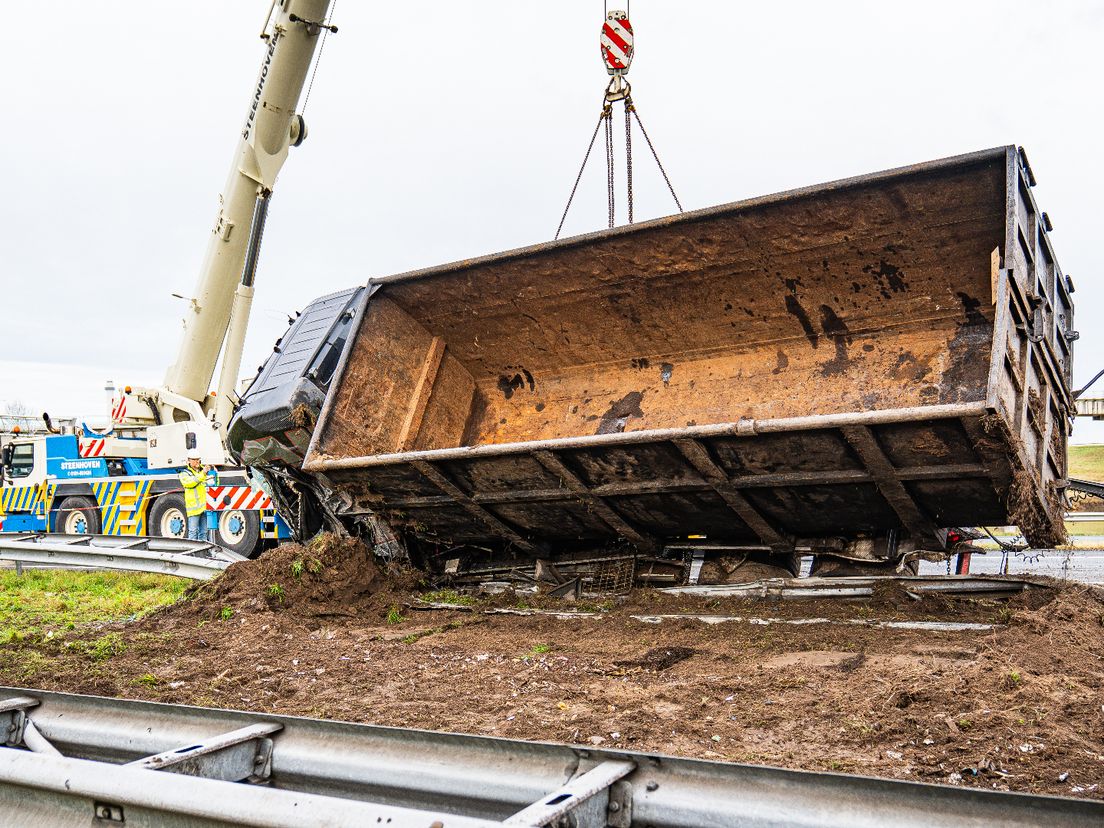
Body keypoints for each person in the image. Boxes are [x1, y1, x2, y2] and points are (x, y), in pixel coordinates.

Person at [179, 451, 217, 541]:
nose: (197, 461)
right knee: (193, 532)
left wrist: (214, 473)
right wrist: (203, 473)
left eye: (198, 459)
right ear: (188, 461)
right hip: (194, 508)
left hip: (204, 507)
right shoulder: (184, 474)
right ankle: (192, 554)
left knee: (203, 533)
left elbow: (214, 483)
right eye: (194, 460)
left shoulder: (204, 471)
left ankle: (202, 554)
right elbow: (191, 482)